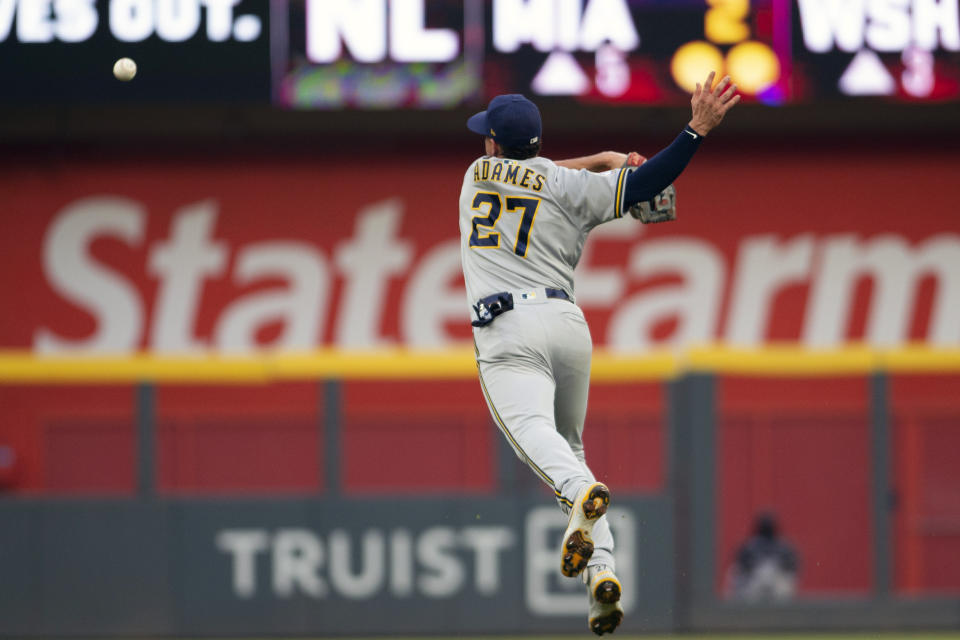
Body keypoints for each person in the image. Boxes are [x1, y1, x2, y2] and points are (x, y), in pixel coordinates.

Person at [458, 72, 739, 635]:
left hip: (508, 327)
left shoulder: (473, 177)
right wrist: (695, 131)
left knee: (536, 440)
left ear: (493, 144)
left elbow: (539, 174)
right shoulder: (572, 190)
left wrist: (600, 158)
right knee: (570, 447)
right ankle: (604, 575)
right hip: (566, 323)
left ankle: (581, 492)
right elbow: (645, 184)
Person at [724, 512, 800, 602]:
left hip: (775, 590)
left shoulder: (783, 548)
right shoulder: (749, 547)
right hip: (753, 589)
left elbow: (793, 568)